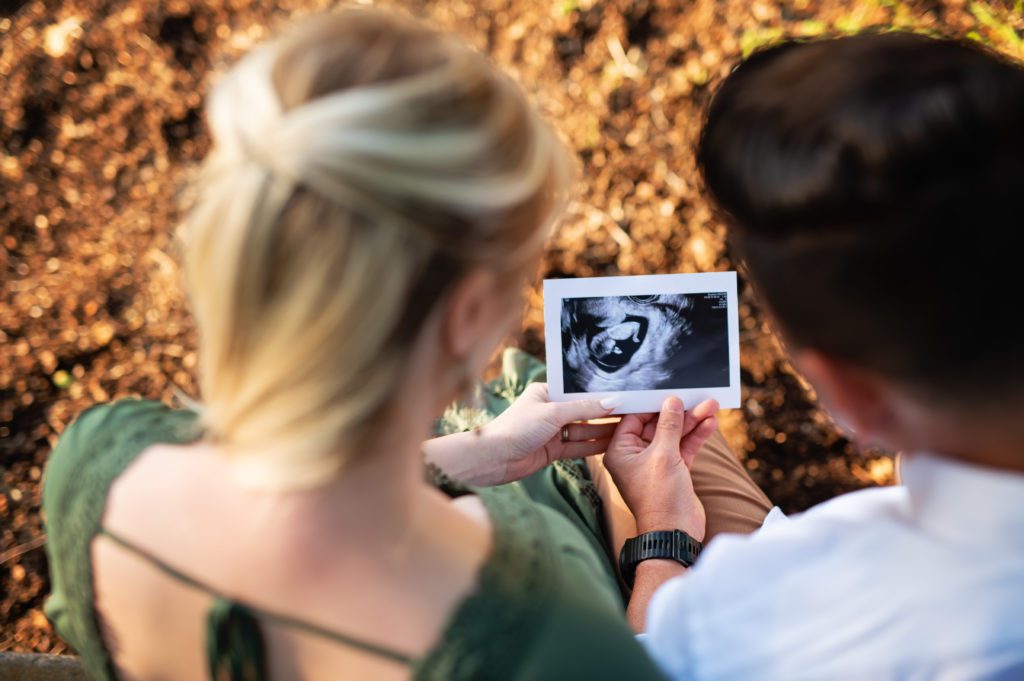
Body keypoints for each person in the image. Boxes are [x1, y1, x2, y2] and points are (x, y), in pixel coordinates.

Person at [41, 9, 774, 681]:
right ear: (463, 316)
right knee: (694, 455)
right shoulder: (538, 632)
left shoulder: (98, 462)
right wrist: (662, 546)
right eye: (518, 277)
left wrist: (476, 454)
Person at [601, 32, 1024, 680]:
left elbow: (632, 666)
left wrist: (660, 540)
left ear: (846, 395)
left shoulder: (784, 610)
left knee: (618, 436)